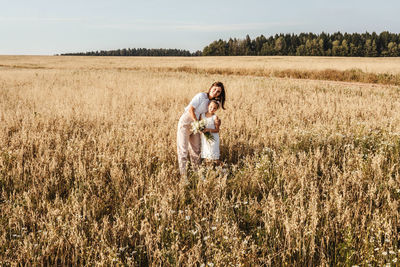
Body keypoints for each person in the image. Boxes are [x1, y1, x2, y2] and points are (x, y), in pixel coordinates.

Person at [177, 82, 226, 176]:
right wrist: (196, 122)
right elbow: (191, 109)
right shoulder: (201, 96)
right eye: (214, 89)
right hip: (186, 122)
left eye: (218, 92)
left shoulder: (213, 103)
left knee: (196, 150)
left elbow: (210, 114)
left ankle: (198, 174)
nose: (215, 92)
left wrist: (217, 122)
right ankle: (183, 177)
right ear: (211, 87)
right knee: (183, 150)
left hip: (197, 125)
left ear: (220, 94)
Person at [199, 100, 221, 165]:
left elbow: (217, 130)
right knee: (207, 158)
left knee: (214, 158)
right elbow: (200, 126)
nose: (212, 109)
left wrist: (208, 130)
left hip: (213, 138)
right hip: (205, 139)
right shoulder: (202, 115)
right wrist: (201, 130)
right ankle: (210, 173)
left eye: (214, 108)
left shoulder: (215, 117)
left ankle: (225, 169)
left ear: (216, 109)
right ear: (208, 106)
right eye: (211, 107)